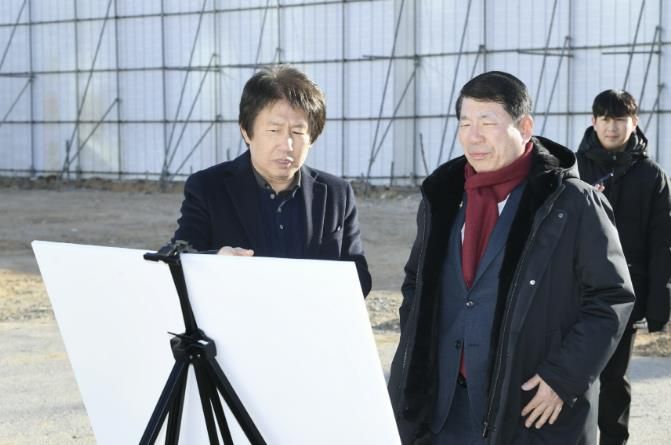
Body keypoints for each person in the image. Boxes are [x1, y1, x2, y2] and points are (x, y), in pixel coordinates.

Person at [387, 71, 635, 444]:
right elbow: (415, 283)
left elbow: (611, 298)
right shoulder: (443, 198)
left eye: (488, 123)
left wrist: (564, 377)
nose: (473, 136)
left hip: (526, 410)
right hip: (443, 411)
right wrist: (417, 354)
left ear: (525, 127)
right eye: (465, 123)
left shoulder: (571, 203)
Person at [172, 65, 371, 296]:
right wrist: (216, 260)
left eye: (298, 132)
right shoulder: (208, 188)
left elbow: (359, 278)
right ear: (246, 131)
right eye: (274, 130)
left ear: (312, 137)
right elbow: (178, 257)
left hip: (308, 314)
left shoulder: (336, 194)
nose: (286, 145)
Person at [576, 89, 671, 445]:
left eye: (619, 119)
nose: (611, 127)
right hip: (575, 291)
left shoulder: (651, 176)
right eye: (604, 118)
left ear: (634, 122)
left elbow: (662, 245)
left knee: (613, 378)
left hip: (625, 296)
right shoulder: (573, 169)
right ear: (593, 121)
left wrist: (659, 304)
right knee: (573, 374)